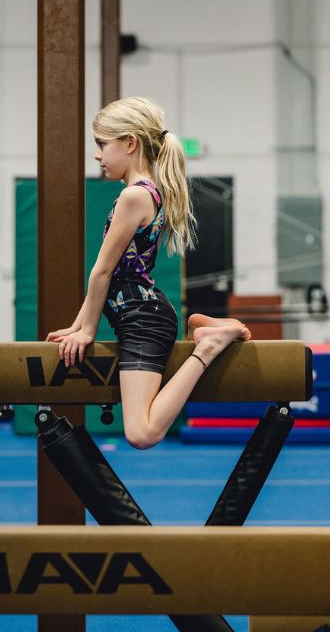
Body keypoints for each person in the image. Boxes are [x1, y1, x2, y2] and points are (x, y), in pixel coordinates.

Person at [47, 97, 251, 450]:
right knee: (140, 432)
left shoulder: (133, 196)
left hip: (143, 319)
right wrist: (78, 327)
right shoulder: (145, 193)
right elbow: (110, 274)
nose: (97, 155)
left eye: (101, 144)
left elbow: (103, 271)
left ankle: (208, 347)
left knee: (142, 433)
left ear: (130, 143)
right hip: (143, 316)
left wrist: (89, 331)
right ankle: (205, 331)